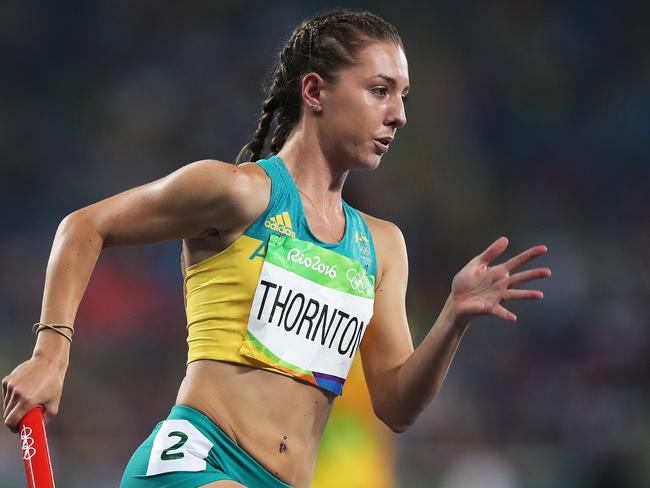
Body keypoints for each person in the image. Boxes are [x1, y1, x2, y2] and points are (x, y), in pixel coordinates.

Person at [2, 9, 551, 488]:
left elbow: (397, 406)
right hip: (194, 463)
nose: (399, 114)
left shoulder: (381, 246)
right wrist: (51, 356)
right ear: (314, 92)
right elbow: (84, 226)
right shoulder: (238, 193)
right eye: (380, 90)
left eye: (403, 97)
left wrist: (452, 318)